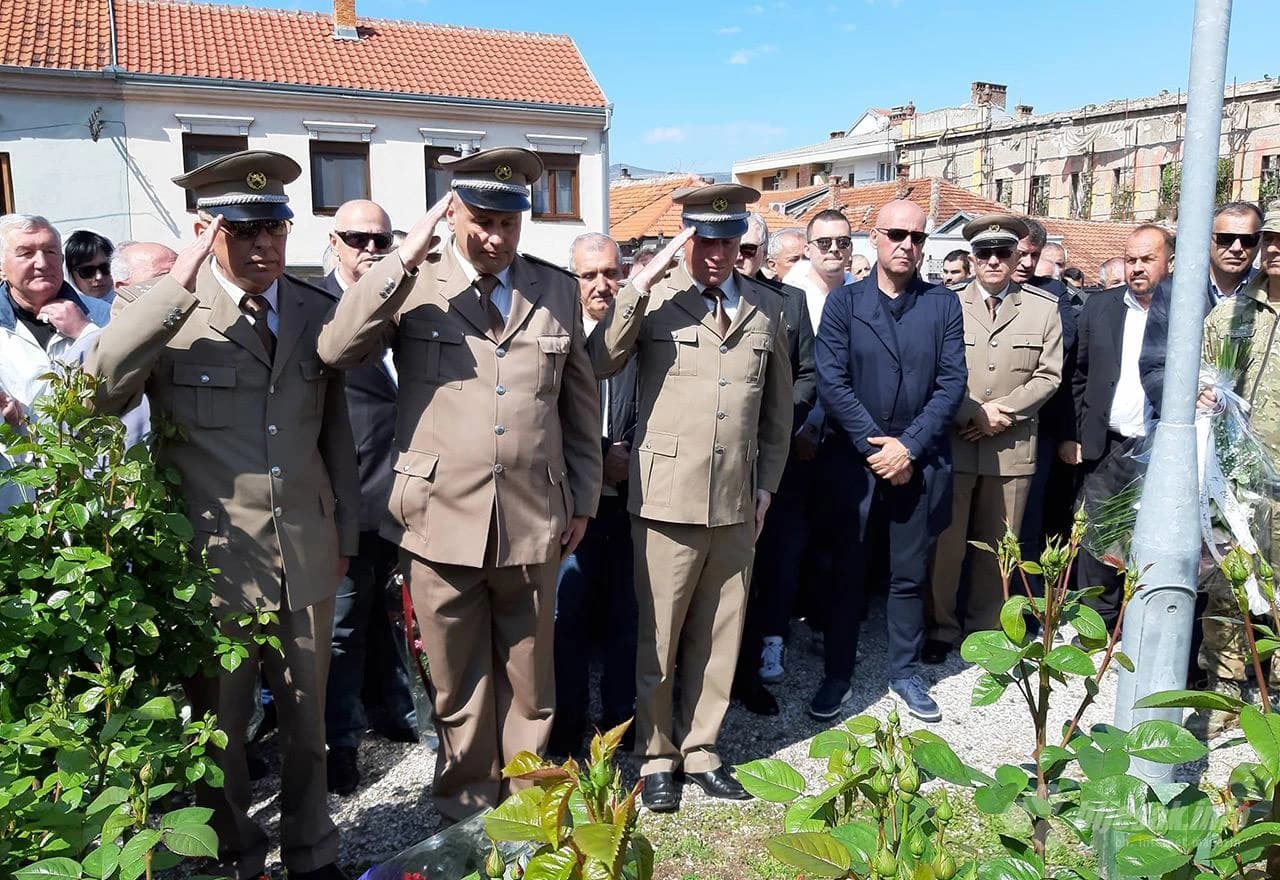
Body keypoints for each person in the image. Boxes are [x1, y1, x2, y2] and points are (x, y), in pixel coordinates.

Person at [85, 150, 359, 880]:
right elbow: (102, 386)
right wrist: (178, 278)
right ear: (209, 231)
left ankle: (312, 853)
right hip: (214, 560)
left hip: (304, 551)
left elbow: (335, 432)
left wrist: (345, 536)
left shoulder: (309, 308)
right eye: (246, 232)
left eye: (277, 227)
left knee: (308, 729)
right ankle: (237, 854)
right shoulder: (170, 311)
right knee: (221, 732)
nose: (267, 245)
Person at [317, 147, 601, 822]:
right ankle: (467, 809)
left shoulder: (555, 288)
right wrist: (402, 257)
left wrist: (583, 497)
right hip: (437, 519)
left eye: (509, 222)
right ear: (452, 213)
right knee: (458, 683)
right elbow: (335, 347)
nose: (495, 237)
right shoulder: (413, 280)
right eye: (480, 220)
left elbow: (579, 405)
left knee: (532, 683)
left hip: (535, 516)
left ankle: (531, 813)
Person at [590, 184, 792, 813]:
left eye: (728, 242)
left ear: (742, 246)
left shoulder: (765, 312)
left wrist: (765, 488)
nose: (715, 254)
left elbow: (777, 415)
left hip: (736, 501)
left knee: (720, 634)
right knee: (660, 637)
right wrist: (639, 280)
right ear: (686, 241)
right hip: (664, 501)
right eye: (704, 240)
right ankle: (654, 754)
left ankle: (702, 749)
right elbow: (600, 359)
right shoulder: (656, 304)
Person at [811, 199, 966, 723]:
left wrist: (910, 447)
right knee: (846, 573)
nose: (907, 245)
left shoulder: (943, 305)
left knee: (907, 574)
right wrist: (877, 446)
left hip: (916, 463)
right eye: (897, 233)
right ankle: (838, 673)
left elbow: (951, 383)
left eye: (918, 237)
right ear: (874, 238)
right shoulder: (845, 304)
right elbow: (831, 381)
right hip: (856, 464)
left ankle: (904, 671)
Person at [925, 215, 1063, 664]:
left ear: (1016, 257)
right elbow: (936, 369)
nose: (992, 261)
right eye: (983, 254)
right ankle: (941, 627)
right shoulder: (945, 304)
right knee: (947, 544)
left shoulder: (1042, 308)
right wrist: (973, 413)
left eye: (1003, 253)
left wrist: (1001, 414)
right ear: (971, 258)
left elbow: (1049, 375)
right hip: (957, 441)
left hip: (1011, 446)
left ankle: (986, 627)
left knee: (999, 546)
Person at [318, 199, 418, 797]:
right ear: (334, 241)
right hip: (347, 501)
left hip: (414, 497)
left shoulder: (413, 304)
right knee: (344, 628)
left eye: (382, 239)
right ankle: (341, 744)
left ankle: (405, 717)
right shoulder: (313, 308)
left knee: (414, 622)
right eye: (358, 239)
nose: (372, 250)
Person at [548, 232, 640, 755]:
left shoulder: (639, 336)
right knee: (570, 620)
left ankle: (621, 723)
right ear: (573, 280)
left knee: (627, 618)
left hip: (629, 502)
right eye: (590, 275)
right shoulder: (556, 335)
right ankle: (568, 726)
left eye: (611, 273)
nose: (602, 284)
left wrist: (632, 457)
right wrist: (598, 456)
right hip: (572, 504)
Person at [1196, 205, 1280, 734]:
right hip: (1238, 480)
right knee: (1229, 585)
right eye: (1269, 238)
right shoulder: (1230, 316)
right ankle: (1225, 687)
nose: (1273, 248)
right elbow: (1203, 379)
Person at [1063, 224, 1173, 630]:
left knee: (1150, 535)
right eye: (1131, 260)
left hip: (1161, 445)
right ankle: (1097, 623)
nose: (1137, 268)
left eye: (1147, 259)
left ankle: (1146, 623)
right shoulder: (1101, 306)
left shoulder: (1187, 310)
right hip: (1106, 442)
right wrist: (1072, 434)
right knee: (1096, 535)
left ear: (1170, 262)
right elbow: (1078, 374)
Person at [731, 212, 817, 715]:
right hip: (715, 462)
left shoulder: (790, 303)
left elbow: (808, 373)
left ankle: (749, 674)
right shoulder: (694, 301)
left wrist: (779, 420)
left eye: (749, 250)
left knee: (766, 570)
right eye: (735, 248)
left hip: (769, 461)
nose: (741, 259)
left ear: (765, 254)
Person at [0, 214, 111, 512]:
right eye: (25, 253)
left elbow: (128, 382)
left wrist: (87, 334)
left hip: (96, 492)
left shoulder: (104, 316)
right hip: (17, 496)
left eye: (50, 252)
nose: (41, 262)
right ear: (1, 265)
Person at [1141, 203, 1260, 414]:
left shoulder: (1270, 295)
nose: (1236, 247)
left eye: (1248, 240)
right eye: (1225, 238)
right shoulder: (1174, 294)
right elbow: (1154, 366)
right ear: (1208, 238)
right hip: (1188, 425)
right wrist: (1189, 401)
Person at [64, 229, 115, 301]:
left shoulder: (132, 305)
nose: (99, 277)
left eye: (105, 268)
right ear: (69, 273)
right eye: (87, 271)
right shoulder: (59, 311)